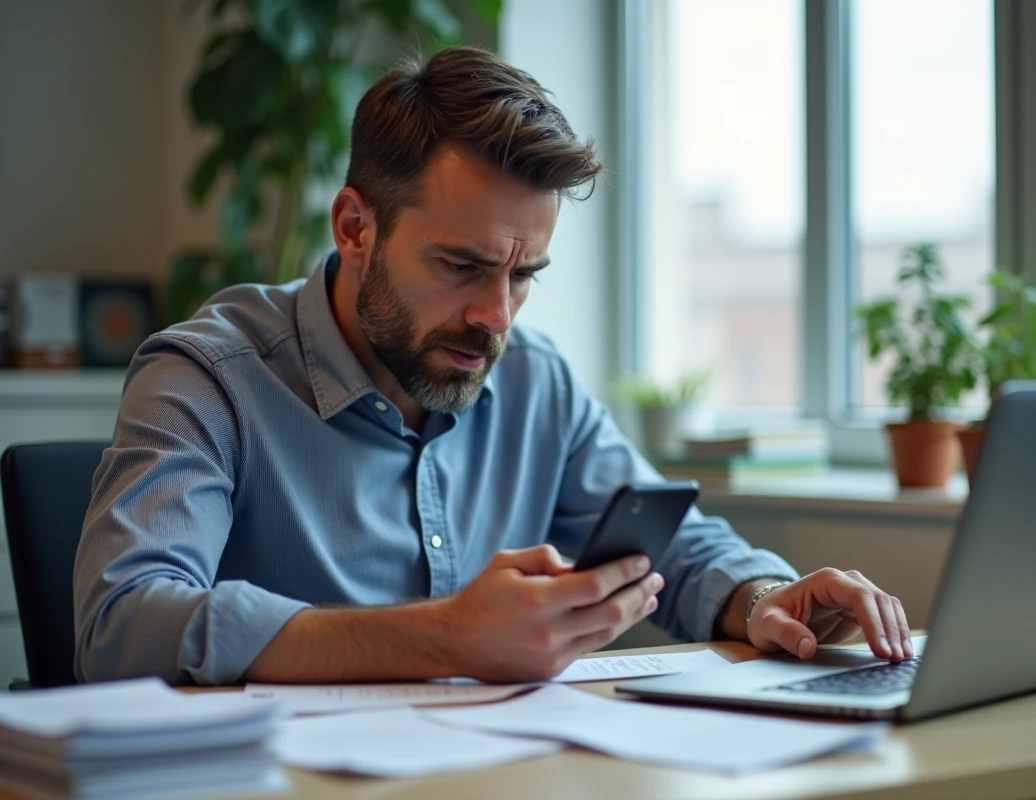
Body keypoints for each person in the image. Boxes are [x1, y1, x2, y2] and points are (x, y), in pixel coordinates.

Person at [74, 46, 912, 686]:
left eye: (522, 275)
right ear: (355, 228)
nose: (496, 318)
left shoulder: (535, 379)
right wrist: (444, 637)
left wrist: (767, 600)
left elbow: (677, 549)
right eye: (461, 265)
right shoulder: (208, 377)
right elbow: (122, 627)